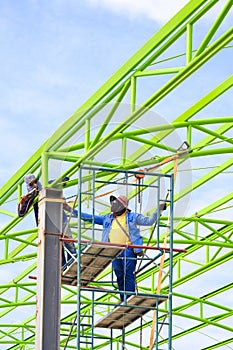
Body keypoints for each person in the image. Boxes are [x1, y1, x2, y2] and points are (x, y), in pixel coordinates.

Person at [74, 195, 167, 302]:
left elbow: (149, 221)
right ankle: (124, 299)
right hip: (113, 251)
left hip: (128, 249)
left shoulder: (132, 216)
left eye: (116, 204)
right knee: (119, 274)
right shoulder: (108, 218)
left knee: (128, 273)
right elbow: (91, 218)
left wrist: (158, 210)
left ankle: (129, 298)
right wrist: (73, 212)